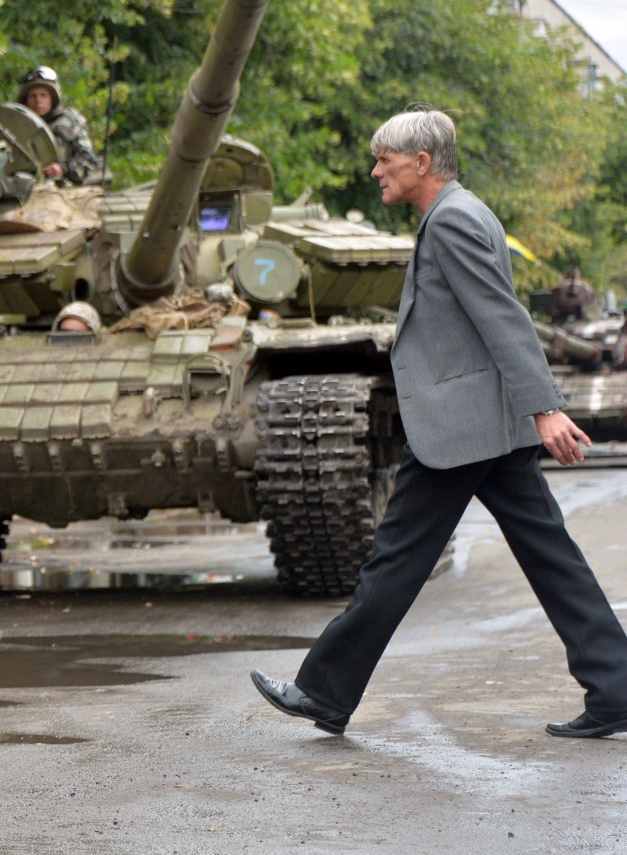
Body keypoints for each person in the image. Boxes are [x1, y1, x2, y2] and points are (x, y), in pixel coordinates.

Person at [250, 108, 627, 739]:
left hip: (461, 428)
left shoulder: (450, 220)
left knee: (394, 562)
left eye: (385, 160)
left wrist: (546, 407)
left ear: (421, 163)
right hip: (483, 423)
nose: (376, 171)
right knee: (550, 555)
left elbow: (500, 317)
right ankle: (616, 687)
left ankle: (323, 691)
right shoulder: (463, 211)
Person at [17, 65, 103, 185]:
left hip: (61, 190)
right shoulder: (16, 125)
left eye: (43, 95)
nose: (38, 101)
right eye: (33, 96)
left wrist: (62, 169)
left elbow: (87, 160)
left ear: (53, 98)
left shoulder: (69, 123)